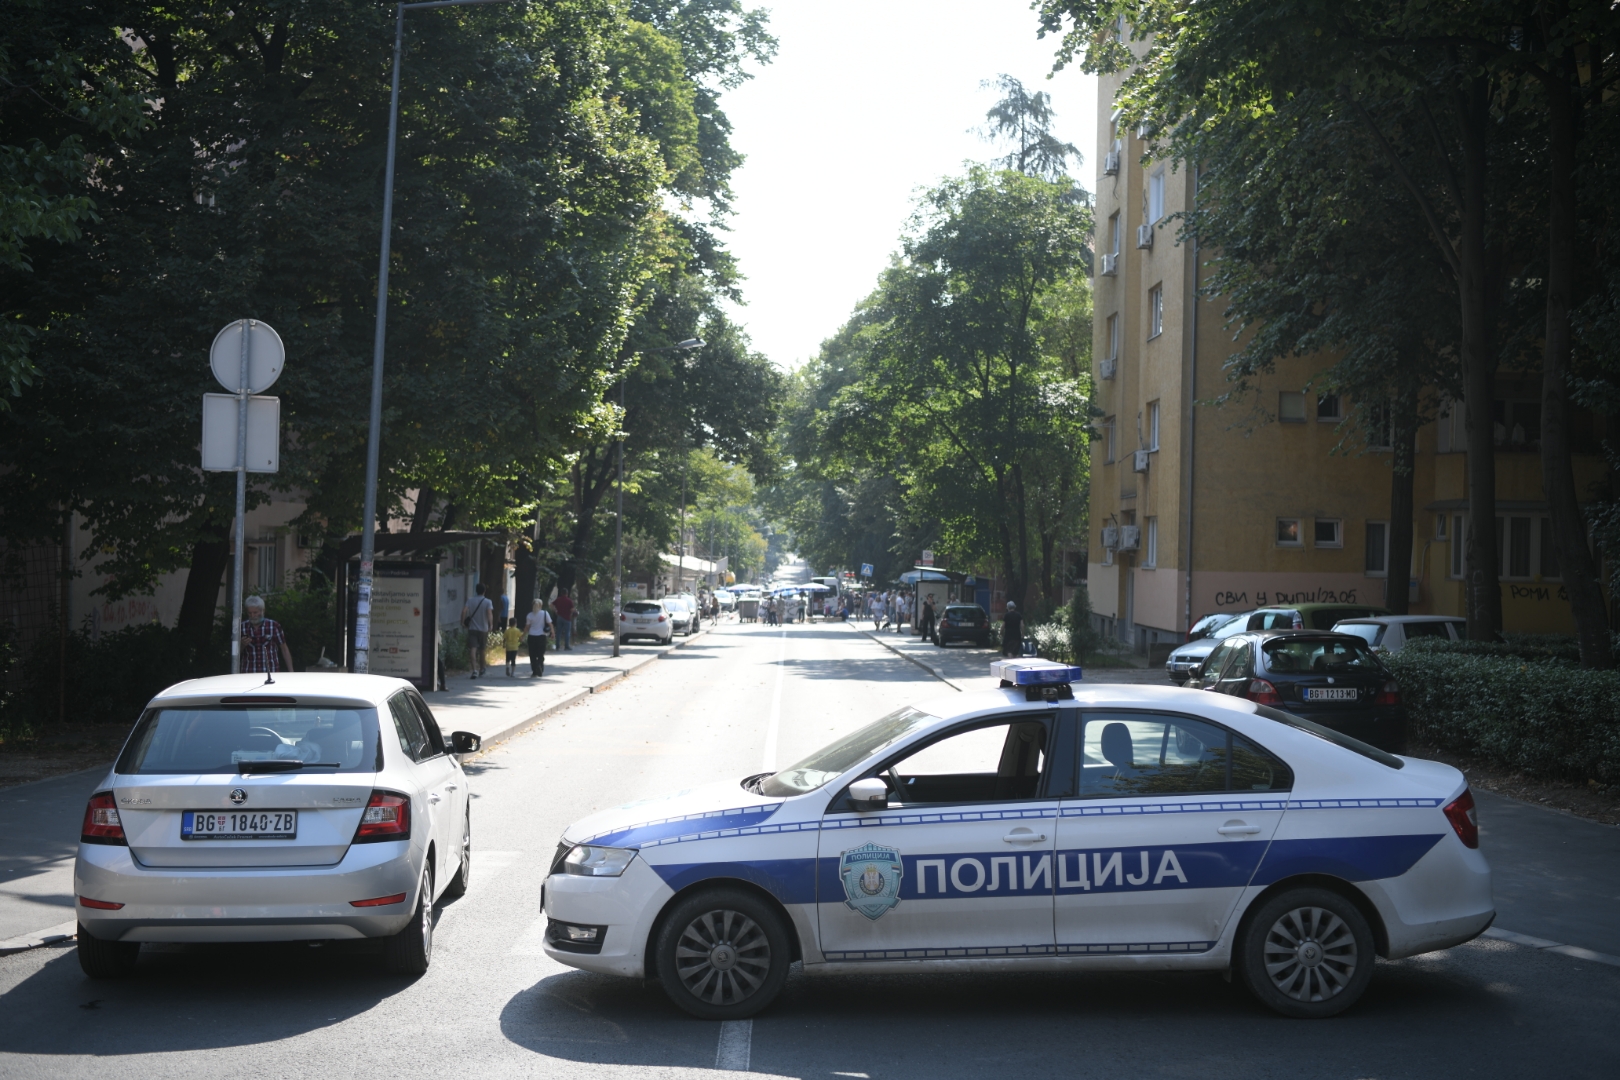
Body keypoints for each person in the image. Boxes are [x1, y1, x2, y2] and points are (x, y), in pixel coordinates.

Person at [240, 595, 295, 674]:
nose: (252, 616)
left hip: (271, 672)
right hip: (249, 672)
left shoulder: (273, 626)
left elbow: (284, 649)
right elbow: (235, 653)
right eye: (249, 613)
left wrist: (291, 672)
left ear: (263, 611)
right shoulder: (242, 627)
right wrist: (242, 645)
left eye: (255, 612)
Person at [462, 582, 495, 678]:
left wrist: (462, 622)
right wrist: (491, 624)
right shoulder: (488, 601)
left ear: (476, 591)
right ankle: (482, 668)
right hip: (483, 629)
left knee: (473, 649)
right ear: (484, 591)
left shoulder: (470, 600)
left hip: (472, 628)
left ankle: (474, 670)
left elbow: (464, 611)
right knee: (482, 649)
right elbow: (489, 613)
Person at [524, 599, 554, 677]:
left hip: (531, 636)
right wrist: (553, 633)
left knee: (532, 654)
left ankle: (534, 671)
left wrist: (523, 635)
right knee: (540, 654)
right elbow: (550, 624)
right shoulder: (545, 613)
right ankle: (540, 666)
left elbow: (527, 627)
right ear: (540, 605)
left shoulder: (530, 615)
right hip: (542, 636)